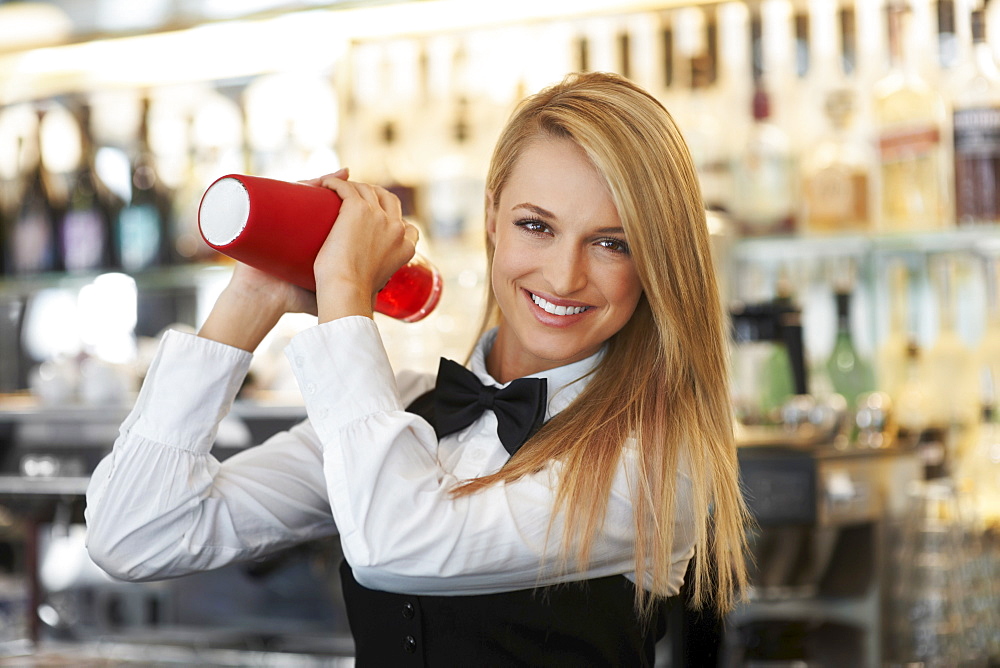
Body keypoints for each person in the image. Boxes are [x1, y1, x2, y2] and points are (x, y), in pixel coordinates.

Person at [85, 71, 749, 666]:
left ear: (658, 263)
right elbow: (134, 534)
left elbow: (392, 546)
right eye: (536, 226)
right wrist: (252, 295)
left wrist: (343, 287)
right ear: (491, 218)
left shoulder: (659, 463)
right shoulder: (398, 409)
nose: (564, 274)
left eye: (612, 243)